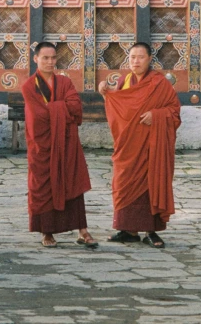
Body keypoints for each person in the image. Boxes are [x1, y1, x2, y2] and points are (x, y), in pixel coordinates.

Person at [98, 42, 181, 249]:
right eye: (132, 57)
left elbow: (174, 111)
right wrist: (106, 92)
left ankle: (150, 231)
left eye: (140, 57)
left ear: (150, 59)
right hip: (127, 145)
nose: (135, 61)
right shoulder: (124, 81)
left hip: (151, 146)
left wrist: (157, 115)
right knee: (124, 182)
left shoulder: (159, 83)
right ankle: (128, 230)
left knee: (150, 182)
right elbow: (120, 108)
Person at [21, 42, 97, 249]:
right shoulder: (29, 86)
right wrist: (61, 109)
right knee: (43, 185)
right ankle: (47, 232)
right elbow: (37, 116)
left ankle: (82, 230)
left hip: (67, 142)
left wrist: (54, 108)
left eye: (53, 58)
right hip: (42, 144)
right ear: (35, 59)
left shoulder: (64, 82)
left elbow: (75, 106)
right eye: (45, 58)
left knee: (73, 183)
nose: (50, 62)